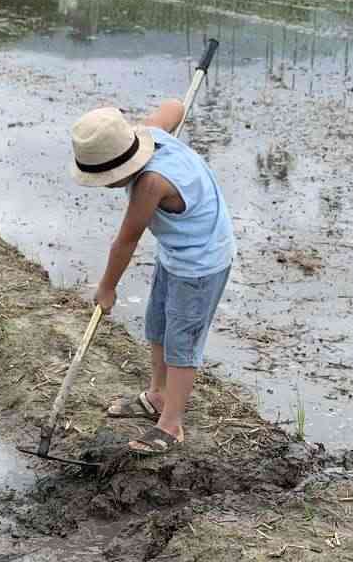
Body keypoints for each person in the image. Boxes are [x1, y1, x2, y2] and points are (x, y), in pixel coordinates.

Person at [70, 97, 235, 453]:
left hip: (202, 263)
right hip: (175, 253)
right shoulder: (150, 134)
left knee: (181, 342)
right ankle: (157, 395)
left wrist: (107, 287)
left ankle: (171, 424)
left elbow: (127, 240)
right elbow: (175, 106)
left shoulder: (151, 184)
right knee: (157, 325)